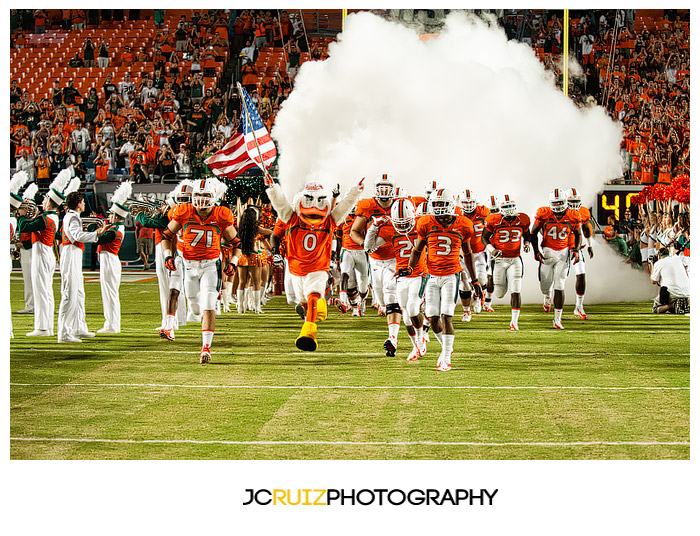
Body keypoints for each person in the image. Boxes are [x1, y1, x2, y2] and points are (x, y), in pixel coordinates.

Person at [267, 178, 365, 351]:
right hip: (296, 267)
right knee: (302, 300)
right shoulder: (292, 218)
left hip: (318, 267)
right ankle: (318, 308)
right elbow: (280, 206)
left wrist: (355, 191)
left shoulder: (329, 220)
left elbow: (343, 208)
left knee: (312, 295)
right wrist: (273, 189)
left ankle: (309, 331)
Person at [403, 188, 482, 372]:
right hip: (431, 275)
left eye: (442, 203)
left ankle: (446, 357)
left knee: (447, 315)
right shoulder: (425, 223)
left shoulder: (463, 224)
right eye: (436, 204)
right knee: (432, 316)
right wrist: (410, 267)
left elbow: (468, 254)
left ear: (451, 204)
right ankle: (446, 347)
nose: (438, 207)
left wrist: (474, 280)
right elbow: (417, 250)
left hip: (451, 275)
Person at [161, 178, 238, 363]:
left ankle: (206, 348)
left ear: (214, 197)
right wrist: (167, 255)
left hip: (210, 265)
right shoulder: (184, 212)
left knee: (208, 304)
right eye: (198, 195)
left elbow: (236, 243)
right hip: (189, 265)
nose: (201, 199)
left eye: (206, 195)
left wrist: (233, 262)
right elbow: (166, 235)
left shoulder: (221, 215)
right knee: (194, 306)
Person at [364, 198, 427, 361]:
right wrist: (374, 226)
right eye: (398, 223)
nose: (402, 227)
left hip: (419, 274)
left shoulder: (422, 224)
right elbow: (368, 246)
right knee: (406, 316)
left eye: (405, 222)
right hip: (401, 275)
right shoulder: (390, 229)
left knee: (413, 309)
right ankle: (415, 347)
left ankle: (421, 342)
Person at [56, 174, 108, 343]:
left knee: (78, 293)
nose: (84, 204)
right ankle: (64, 333)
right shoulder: (71, 217)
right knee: (69, 294)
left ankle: (79, 327)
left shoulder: (73, 216)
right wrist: (96, 234)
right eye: (83, 202)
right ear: (78, 204)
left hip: (74, 253)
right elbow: (76, 235)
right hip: (71, 253)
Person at [530, 188, 582, 330]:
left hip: (563, 253)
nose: (558, 206)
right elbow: (533, 233)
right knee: (545, 286)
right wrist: (536, 251)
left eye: (561, 202)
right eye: (556, 203)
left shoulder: (573, 215)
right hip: (547, 252)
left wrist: (576, 250)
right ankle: (547, 296)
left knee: (560, 285)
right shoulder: (544, 214)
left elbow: (578, 233)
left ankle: (557, 319)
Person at [16, 183, 60, 337]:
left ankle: (42, 328)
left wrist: (21, 215)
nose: (42, 202)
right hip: (46, 254)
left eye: (45, 200)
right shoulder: (52, 217)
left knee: (41, 291)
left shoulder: (46, 218)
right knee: (46, 291)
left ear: (49, 203)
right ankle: (46, 326)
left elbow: (24, 228)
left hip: (41, 254)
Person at [481, 195, 531, 331]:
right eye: (505, 208)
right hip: (499, 260)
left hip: (515, 259)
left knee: (516, 289)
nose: (509, 211)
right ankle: (490, 299)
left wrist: (526, 243)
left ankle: (514, 321)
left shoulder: (523, 219)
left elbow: (527, 235)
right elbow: (484, 237)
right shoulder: (493, 220)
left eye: (510, 207)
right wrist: (492, 249)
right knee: (500, 292)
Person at [95, 181, 131, 333]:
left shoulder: (114, 230)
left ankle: (112, 325)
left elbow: (100, 239)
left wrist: (98, 230)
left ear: (116, 216)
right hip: (109, 259)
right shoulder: (115, 227)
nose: (108, 216)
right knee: (109, 293)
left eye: (111, 214)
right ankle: (110, 323)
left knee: (110, 294)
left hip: (109, 260)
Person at [458, 189, 490, 322]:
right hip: (462, 252)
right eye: (465, 202)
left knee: (482, 279)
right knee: (463, 283)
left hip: (480, 252)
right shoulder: (456, 214)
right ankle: (466, 311)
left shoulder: (484, 212)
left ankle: (477, 296)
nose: (468, 204)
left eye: (471, 201)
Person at [565, 188, 594, 319]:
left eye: (577, 201)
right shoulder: (557, 212)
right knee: (556, 278)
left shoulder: (582, 212)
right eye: (572, 201)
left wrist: (589, 245)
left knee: (581, 273)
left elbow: (586, 229)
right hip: (559, 248)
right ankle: (547, 296)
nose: (575, 204)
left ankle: (579, 306)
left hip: (575, 248)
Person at [650, 247, 690, 314]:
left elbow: (653, 281)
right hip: (687, 292)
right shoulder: (677, 260)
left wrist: (652, 266)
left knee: (656, 309)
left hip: (672, 293)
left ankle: (672, 305)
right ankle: (685, 304)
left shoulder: (659, 263)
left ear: (659, 256)